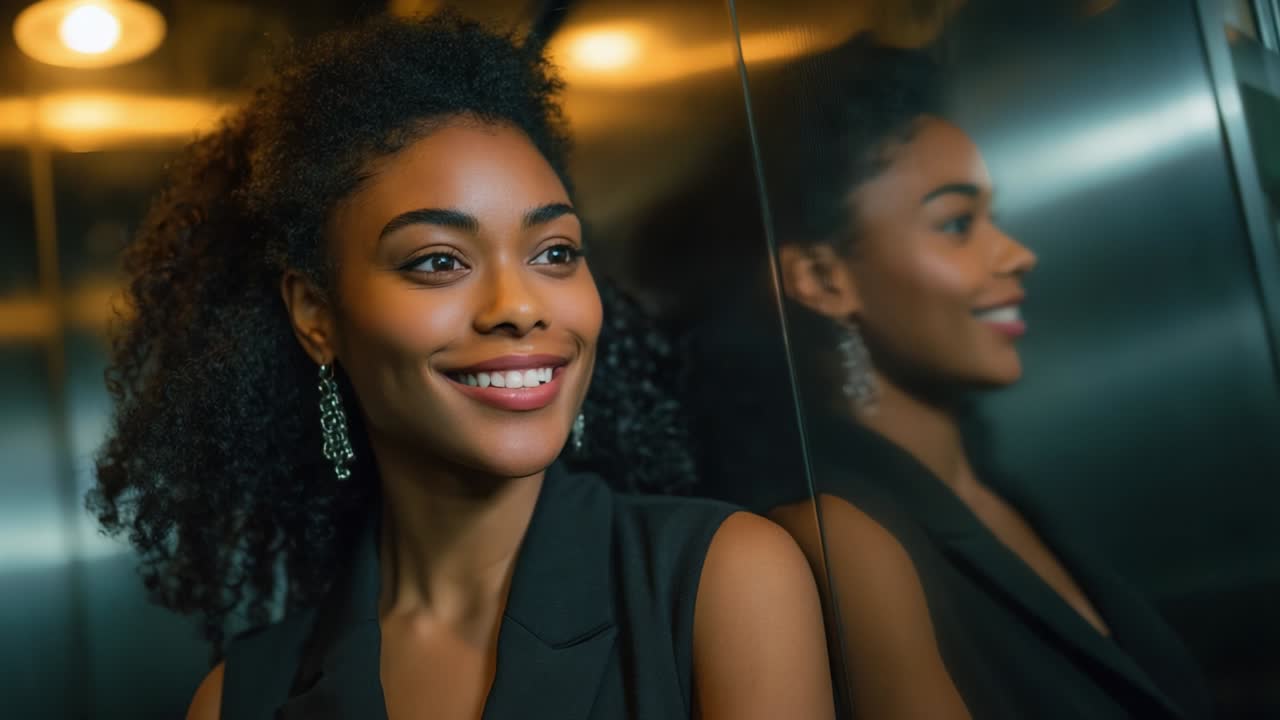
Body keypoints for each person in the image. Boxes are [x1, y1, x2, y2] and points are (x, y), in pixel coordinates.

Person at [87, 13, 834, 720]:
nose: (518, 305)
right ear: (316, 317)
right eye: (439, 261)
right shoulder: (241, 700)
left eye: (555, 253)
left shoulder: (722, 581)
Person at [756, 37, 1215, 719]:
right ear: (823, 279)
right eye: (957, 223)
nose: (1019, 254)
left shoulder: (1002, 489)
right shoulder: (848, 539)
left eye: (992, 217)